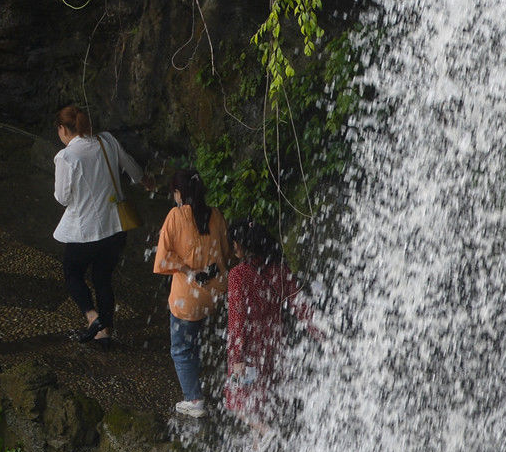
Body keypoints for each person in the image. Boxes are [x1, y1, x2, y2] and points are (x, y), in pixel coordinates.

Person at [52, 104, 143, 349]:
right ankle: (105, 333)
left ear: (62, 129)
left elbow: (62, 198)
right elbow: (133, 169)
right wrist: (144, 181)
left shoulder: (67, 156)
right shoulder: (107, 141)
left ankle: (93, 318)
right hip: (115, 229)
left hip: (85, 232)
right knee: (103, 278)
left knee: (72, 272)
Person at [224, 219, 319, 431]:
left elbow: (237, 319)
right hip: (275, 339)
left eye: (235, 243)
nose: (234, 247)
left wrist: (237, 356)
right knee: (264, 395)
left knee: (236, 400)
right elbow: (299, 304)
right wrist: (320, 333)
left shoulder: (238, 275)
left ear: (244, 244)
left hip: (250, 344)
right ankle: (261, 447)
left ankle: (266, 434)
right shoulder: (279, 269)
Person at [153, 167, 228, 418]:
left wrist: (186, 268)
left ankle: (194, 400)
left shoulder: (176, 216)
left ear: (178, 193)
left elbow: (162, 260)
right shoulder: (215, 214)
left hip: (187, 299)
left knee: (181, 349)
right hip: (213, 294)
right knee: (193, 341)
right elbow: (225, 254)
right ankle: (201, 381)